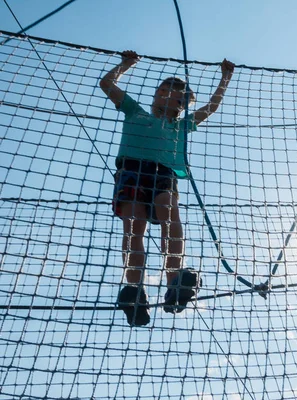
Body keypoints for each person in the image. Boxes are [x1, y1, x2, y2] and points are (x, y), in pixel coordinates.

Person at [99, 50, 234, 326]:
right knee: (134, 227)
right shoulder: (135, 111)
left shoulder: (181, 126)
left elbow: (211, 107)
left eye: (172, 93)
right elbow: (107, 84)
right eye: (161, 90)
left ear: (181, 104)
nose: (163, 95)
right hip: (132, 171)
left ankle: (175, 280)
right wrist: (125, 65)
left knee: (170, 215)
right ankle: (134, 291)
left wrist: (225, 79)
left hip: (164, 173)